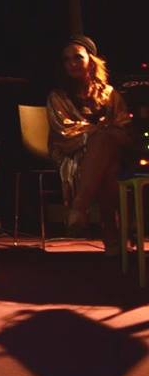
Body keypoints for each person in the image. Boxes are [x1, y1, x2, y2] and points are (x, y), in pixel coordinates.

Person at [47, 35, 131, 253]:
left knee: (107, 150)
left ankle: (79, 207)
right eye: (66, 60)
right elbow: (63, 130)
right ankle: (112, 234)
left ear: (91, 60)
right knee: (108, 161)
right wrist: (97, 132)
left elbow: (123, 126)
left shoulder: (109, 93)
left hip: (108, 153)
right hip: (72, 151)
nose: (72, 63)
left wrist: (103, 133)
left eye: (77, 57)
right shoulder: (58, 96)